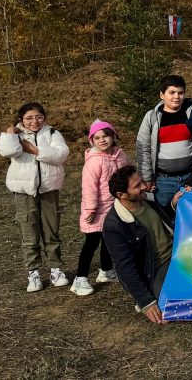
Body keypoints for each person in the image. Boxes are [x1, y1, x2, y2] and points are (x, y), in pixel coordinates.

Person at [0, 102, 71, 292]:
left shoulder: (52, 134)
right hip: (24, 191)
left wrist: (33, 150)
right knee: (29, 233)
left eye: (38, 117)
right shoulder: (15, 134)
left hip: (49, 190)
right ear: (21, 119)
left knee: (51, 231)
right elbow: (8, 151)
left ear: (44, 117)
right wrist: (9, 131)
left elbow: (61, 155)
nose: (34, 121)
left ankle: (56, 269)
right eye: (29, 118)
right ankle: (33, 273)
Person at [102, 166, 173, 324]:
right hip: (157, 267)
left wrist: (176, 203)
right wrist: (145, 302)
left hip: (177, 254)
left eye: (141, 182)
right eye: (137, 186)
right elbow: (124, 267)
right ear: (122, 195)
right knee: (170, 309)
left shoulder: (150, 200)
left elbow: (172, 219)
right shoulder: (114, 225)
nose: (144, 187)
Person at [72, 120, 126, 296]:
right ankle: (80, 279)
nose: (102, 140)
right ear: (92, 141)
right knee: (91, 242)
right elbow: (89, 187)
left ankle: (106, 270)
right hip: (96, 209)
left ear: (113, 136)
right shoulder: (94, 162)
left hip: (114, 207)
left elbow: (128, 177)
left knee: (108, 240)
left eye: (106, 136)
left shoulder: (121, 156)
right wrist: (90, 209)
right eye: (97, 138)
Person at [136, 75, 192, 212]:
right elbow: (143, 149)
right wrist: (146, 177)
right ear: (162, 95)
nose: (177, 97)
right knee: (165, 214)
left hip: (190, 178)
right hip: (164, 181)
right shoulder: (152, 117)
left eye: (180, 93)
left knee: (191, 214)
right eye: (172, 92)